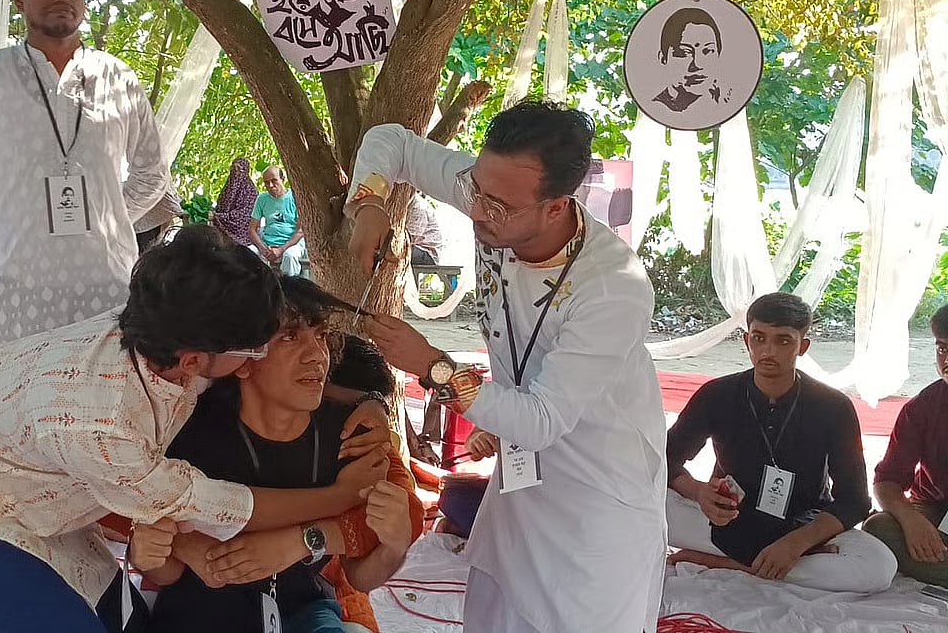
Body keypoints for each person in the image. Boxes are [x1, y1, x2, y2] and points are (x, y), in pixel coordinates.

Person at [0, 226, 391, 633]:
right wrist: (335, 502)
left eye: (318, 340)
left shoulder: (166, 329)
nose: (312, 357)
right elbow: (196, 508)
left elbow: (389, 527)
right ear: (195, 361)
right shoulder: (108, 424)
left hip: (12, 468)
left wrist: (369, 402)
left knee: (125, 619)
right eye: (268, 345)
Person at [344, 100, 666, 632]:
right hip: (519, 475)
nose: (477, 212)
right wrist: (372, 203)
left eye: (500, 207)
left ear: (557, 206)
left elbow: (541, 420)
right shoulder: (493, 191)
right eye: (476, 191)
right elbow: (391, 140)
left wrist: (433, 367)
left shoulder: (613, 288)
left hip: (598, 493)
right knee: (500, 615)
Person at [0, 0, 175, 350]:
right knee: (10, 409)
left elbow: (152, 174)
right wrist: (4, 220)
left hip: (106, 293)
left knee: (101, 410)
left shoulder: (119, 80)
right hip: (16, 298)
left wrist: (106, 218)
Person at [141, 278, 419, 633]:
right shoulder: (190, 431)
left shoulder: (351, 434)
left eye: (320, 336)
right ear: (243, 361)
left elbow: (360, 576)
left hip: (303, 611)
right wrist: (162, 548)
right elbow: (161, 563)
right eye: (289, 337)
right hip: (199, 615)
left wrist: (393, 547)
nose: (316, 355)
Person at [666, 292, 896, 593]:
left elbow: (854, 500)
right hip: (727, 518)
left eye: (783, 341)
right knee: (639, 498)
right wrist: (699, 493)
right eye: (759, 338)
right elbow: (666, 459)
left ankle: (732, 563)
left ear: (803, 346)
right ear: (747, 341)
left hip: (802, 522)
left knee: (878, 568)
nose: (767, 351)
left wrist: (795, 544)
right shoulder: (717, 394)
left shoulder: (833, 406)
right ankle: (764, 564)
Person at [863, 303, 948, 588]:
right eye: (942, 348)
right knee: (878, 528)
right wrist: (910, 519)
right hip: (934, 509)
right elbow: (887, 479)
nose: (947, 359)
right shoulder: (922, 407)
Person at [653, 7, 731, 113]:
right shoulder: (656, 109)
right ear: (663, 58)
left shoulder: (725, 103)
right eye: (684, 53)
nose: (698, 64)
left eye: (708, 51)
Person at [249, 166, 306, 276]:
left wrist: (281, 249)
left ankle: (289, 289)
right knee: (249, 253)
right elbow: (252, 229)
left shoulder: (296, 198)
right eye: (266, 183)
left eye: (274, 181)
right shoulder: (262, 199)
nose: (270, 185)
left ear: (283, 179)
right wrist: (263, 248)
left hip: (291, 243)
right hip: (267, 243)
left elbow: (301, 230)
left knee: (290, 256)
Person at [211, 158, 259, 247]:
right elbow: (221, 207)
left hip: (241, 238)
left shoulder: (251, 191)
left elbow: (243, 216)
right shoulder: (228, 188)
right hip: (220, 235)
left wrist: (216, 216)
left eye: (239, 169)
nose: (236, 172)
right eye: (234, 169)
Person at [406, 193, 443, 266]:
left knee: (393, 253)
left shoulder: (418, 206)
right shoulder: (409, 204)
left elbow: (411, 237)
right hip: (415, 247)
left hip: (426, 252)